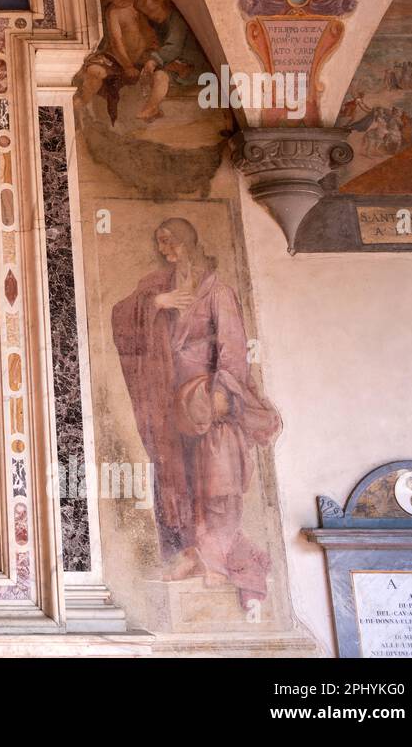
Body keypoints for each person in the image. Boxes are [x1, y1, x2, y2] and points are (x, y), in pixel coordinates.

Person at [112, 218, 282, 606]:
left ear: (189, 240)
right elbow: (122, 317)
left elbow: (233, 348)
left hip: (206, 403)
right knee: (176, 476)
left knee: (213, 481)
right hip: (168, 401)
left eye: (170, 239)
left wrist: (220, 396)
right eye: (160, 241)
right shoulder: (158, 285)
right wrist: (155, 304)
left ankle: (213, 556)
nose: (166, 247)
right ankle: (188, 551)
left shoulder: (216, 291)